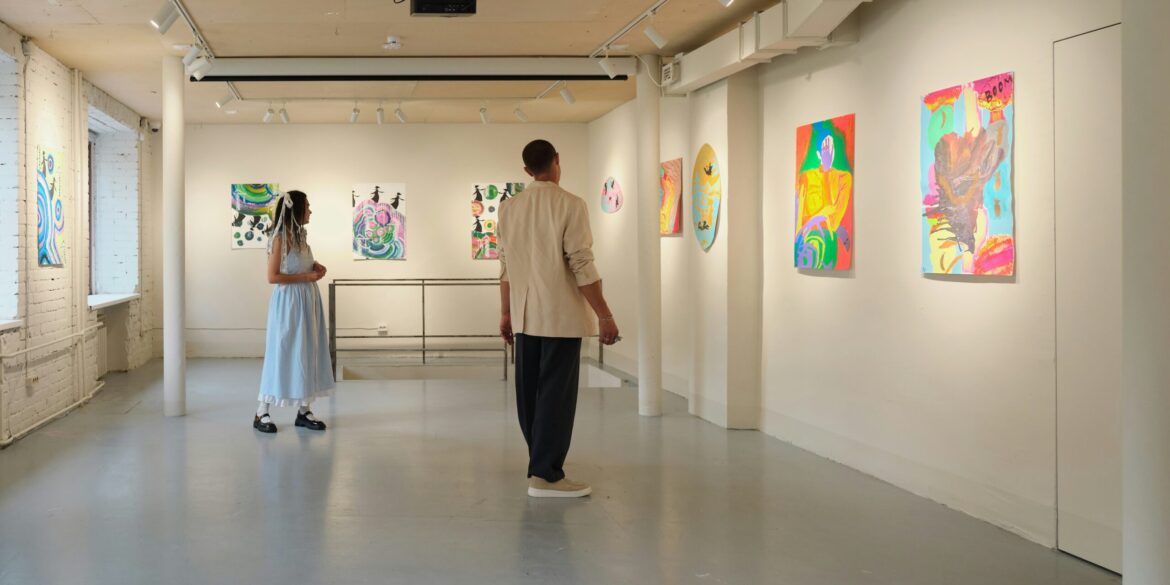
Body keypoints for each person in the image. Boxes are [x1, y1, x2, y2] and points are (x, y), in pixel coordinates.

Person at [498, 139, 620, 498]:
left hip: (524, 317)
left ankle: (540, 465)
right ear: (557, 161)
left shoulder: (508, 208)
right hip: (560, 317)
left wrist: (505, 313)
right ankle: (546, 475)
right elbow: (581, 263)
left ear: (526, 170)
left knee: (529, 396)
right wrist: (605, 315)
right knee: (556, 396)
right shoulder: (571, 205)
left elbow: (504, 266)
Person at [253, 190, 335, 434]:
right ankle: (261, 411)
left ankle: (304, 410)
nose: (310, 211)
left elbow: (299, 264)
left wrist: (315, 266)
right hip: (288, 304)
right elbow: (272, 277)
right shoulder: (279, 239)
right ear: (296, 209)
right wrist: (307, 276)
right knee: (281, 352)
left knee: (306, 352)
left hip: (306, 302)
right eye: (307, 206)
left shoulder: (300, 237)